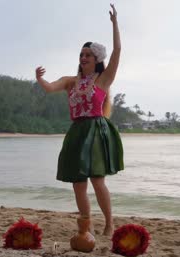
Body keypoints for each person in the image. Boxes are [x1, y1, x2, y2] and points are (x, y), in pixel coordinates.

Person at [35, 4, 123, 236]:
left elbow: (117, 52)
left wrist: (115, 24)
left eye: (88, 55)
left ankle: (109, 223)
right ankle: (86, 226)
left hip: (96, 130)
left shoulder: (102, 80)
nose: (83, 58)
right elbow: (49, 87)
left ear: (96, 60)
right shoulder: (70, 81)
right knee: (78, 183)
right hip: (77, 131)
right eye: (81, 55)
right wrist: (39, 79)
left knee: (97, 180)